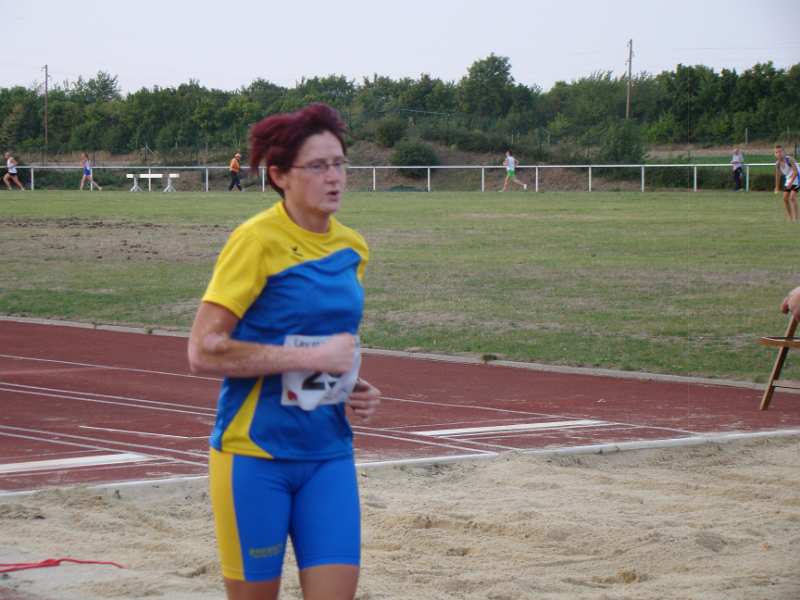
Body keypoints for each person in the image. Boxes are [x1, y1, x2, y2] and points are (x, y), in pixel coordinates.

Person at [187, 103, 381, 600]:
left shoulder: (353, 249)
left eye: (339, 163)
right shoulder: (256, 240)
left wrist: (348, 384)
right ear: (279, 175)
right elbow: (203, 351)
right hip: (255, 455)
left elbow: (321, 340)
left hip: (328, 453)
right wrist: (309, 360)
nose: (334, 177)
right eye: (316, 166)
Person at [774, 145, 799, 223]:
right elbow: (778, 175)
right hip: (789, 179)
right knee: (785, 199)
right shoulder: (777, 164)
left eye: (780, 151)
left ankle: (797, 218)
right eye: (776, 152)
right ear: (775, 154)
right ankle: (790, 218)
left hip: (798, 178)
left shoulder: (789, 159)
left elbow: (796, 172)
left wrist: (790, 183)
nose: (779, 153)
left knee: (792, 197)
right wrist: (777, 187)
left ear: (784, 152)